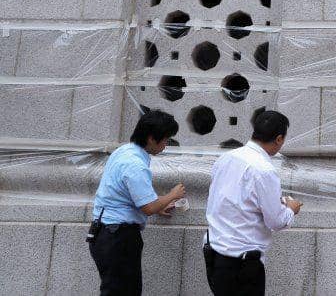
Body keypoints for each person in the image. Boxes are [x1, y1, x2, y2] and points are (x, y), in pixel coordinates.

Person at [204, 109, 303, 296]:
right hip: (242, 264)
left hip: (215, 253)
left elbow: (232, 199)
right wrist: (291, 209)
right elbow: (276, 221)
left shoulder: (226, 157)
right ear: (279, 139)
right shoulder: (264, 169)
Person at [88, 109, 186, 296]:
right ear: (151, 138)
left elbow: (129, 195)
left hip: (105, 233)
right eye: (165, 139)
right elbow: (148, 207)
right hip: (118, 237)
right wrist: (172, 195)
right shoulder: (135, 164)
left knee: (116, 289)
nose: (166, 145)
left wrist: (160, 205)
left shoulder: (124, 151)